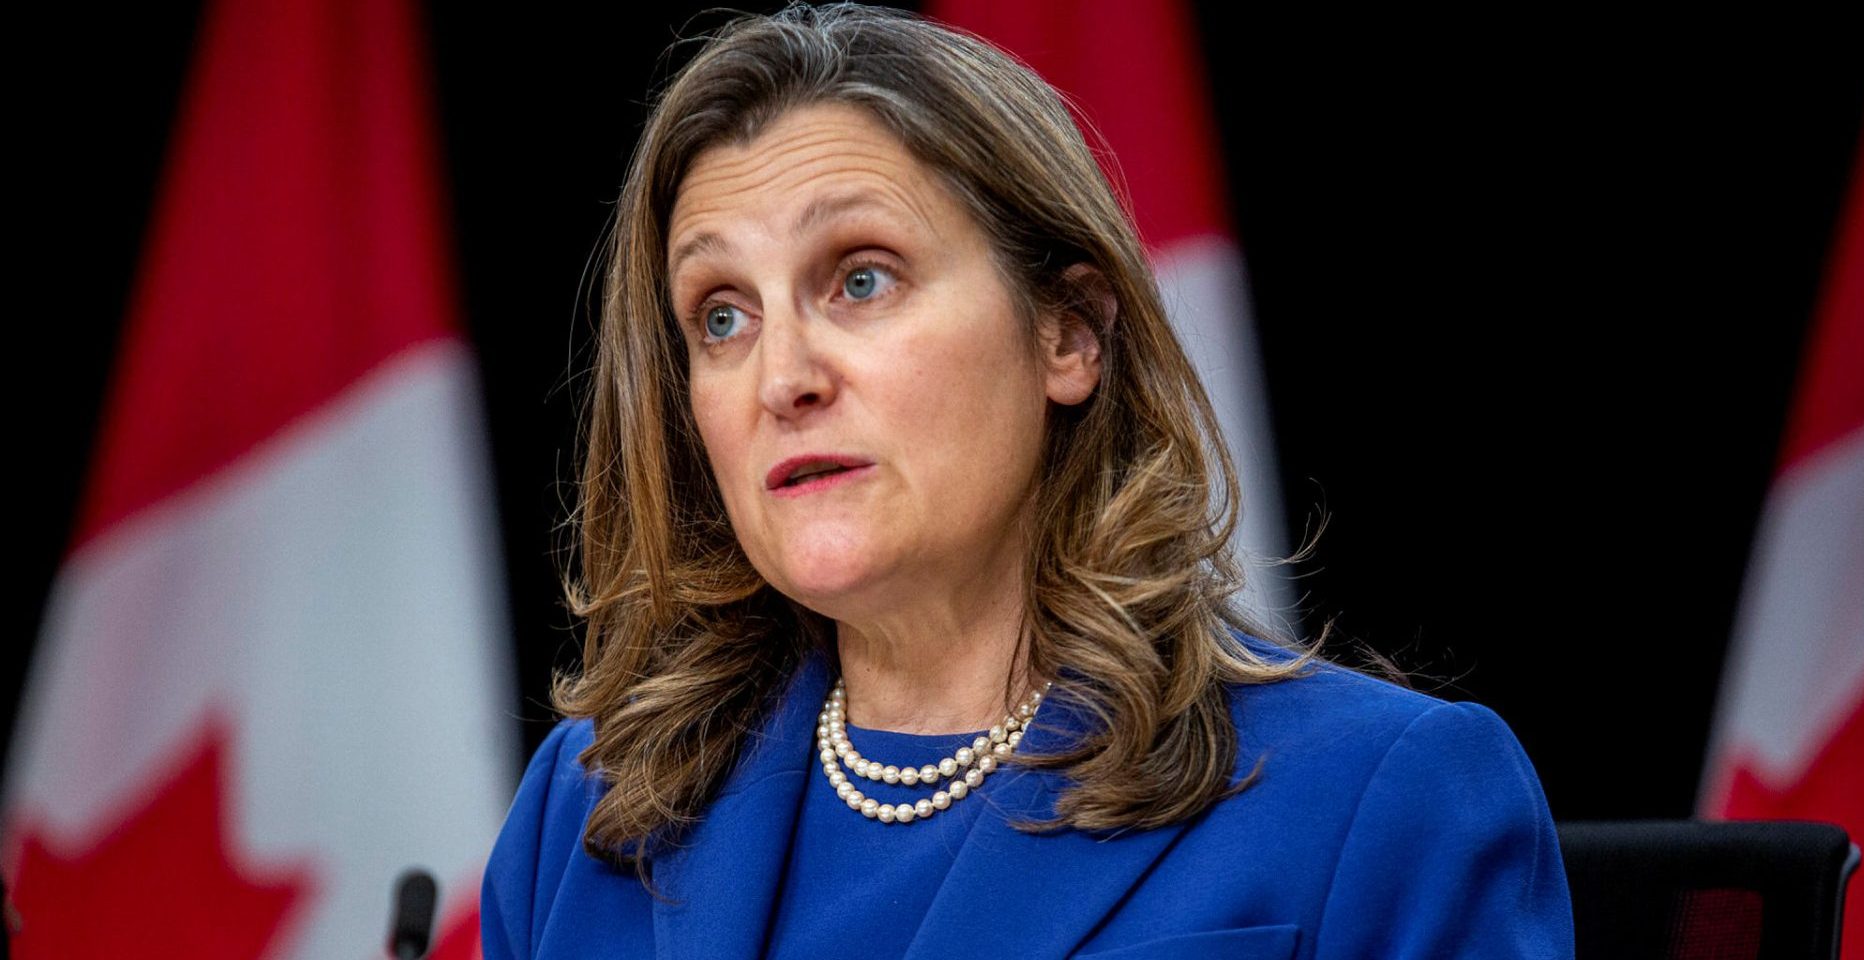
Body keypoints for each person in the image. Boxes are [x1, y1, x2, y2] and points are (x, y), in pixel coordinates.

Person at [480, 4, 1575, 958]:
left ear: (1069, 333)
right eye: (721, 315)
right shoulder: (588, 816)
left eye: (861, 279)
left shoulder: (1378, 797)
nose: (784, 377)